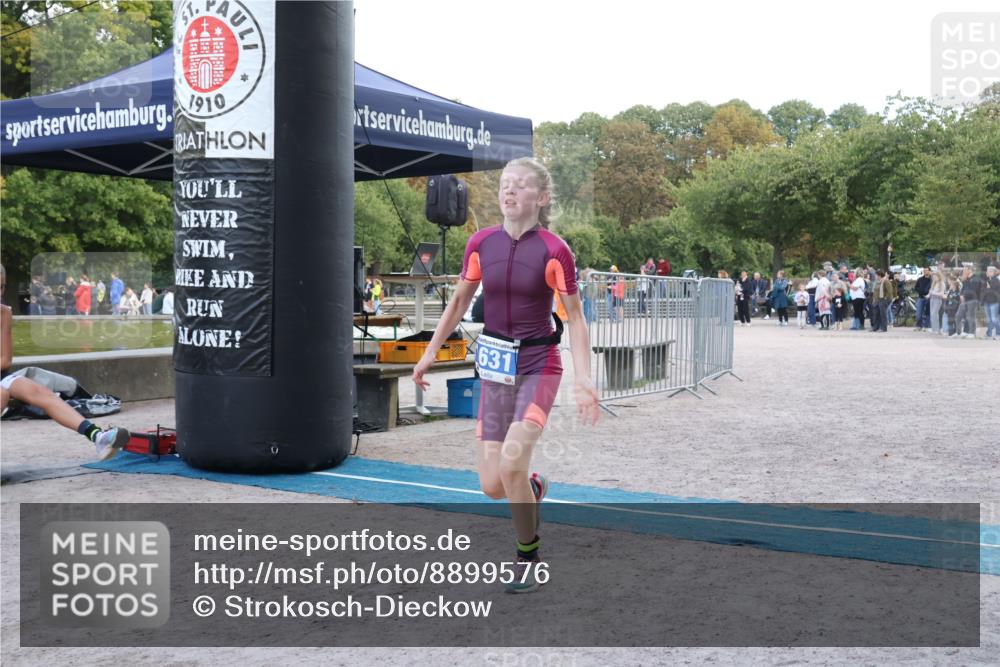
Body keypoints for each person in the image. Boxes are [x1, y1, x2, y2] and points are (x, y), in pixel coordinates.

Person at [411, 157, 599, 594]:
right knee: (493, 485)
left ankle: (527, 556)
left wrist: (584, 378)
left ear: (542, 197)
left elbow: (575, 317)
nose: (509, 191)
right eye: (504, 184)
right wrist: (429, 353)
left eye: (520, 185)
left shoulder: (554, 250)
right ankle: (531, 488)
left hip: (538, 367)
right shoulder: (480, 243)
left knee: (512, 463)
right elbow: (459, 302)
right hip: (496, 370)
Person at [0, 264, 128, 461]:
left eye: (1, 287)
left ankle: (97, 437)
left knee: (40, 392)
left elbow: (5, 360)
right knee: (2, 393)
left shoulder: (4, 313)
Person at [955, 265, 983, 339]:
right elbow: (963, 289)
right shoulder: (966, 279)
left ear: (970, 270)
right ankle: (960, 332)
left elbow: (974, 290)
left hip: (973, 300)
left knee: (970, 317)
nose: (963, 271)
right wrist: (961, 295)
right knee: (958, 316)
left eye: (965, 270)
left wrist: (964, 295)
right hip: (964, 301)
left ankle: (972, 333)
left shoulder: (976, 279)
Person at [983, 266, 1000, 340]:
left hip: (994, 302)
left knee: (994, 319)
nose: (987, 272)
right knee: (989, 319)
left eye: (988, 271)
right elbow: (984, 290)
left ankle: (998, 333)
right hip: (987, 301)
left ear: (993, 273)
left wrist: (988, 288)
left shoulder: (996, 280)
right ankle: (989, 333)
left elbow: (993, 291)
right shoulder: (987, 280)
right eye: (987, 271)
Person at [928, 269, 947, 335]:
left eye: (935, 276)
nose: (934, 278)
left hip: (938, 300)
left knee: (934, 314)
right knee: (932, 314)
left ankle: (937, 329)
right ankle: (933, 329)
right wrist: (928, 295)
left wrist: (933, 292)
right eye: (933, 276)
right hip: (932, 299)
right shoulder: (934, 283)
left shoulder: (942, 284)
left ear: (939, 276)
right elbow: (930, 292)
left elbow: (941, 294)